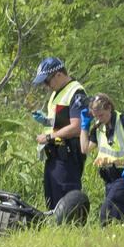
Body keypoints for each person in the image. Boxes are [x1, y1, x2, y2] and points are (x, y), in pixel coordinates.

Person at [79, 93, 124, 226]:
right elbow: (85, 148)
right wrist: (84, 127)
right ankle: (123, 239)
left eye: (101, 115)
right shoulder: (99, 127)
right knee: (118, 216)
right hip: (110, 178)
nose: (99, 119)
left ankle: (110, 240)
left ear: (109, 108)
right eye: (96, 116)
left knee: (106, 214)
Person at [31, 57, 87, 210]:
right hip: (54, 155)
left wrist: (48, 137)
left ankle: (70, 232)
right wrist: (46, 121)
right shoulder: (57, 93)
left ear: (58, 75)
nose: (46, 86)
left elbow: (76, 127)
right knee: (52, 201)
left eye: (47, 81)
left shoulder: (76, 92)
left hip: (67, 155)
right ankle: (57, 231)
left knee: (66, 203)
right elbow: (61, 123)